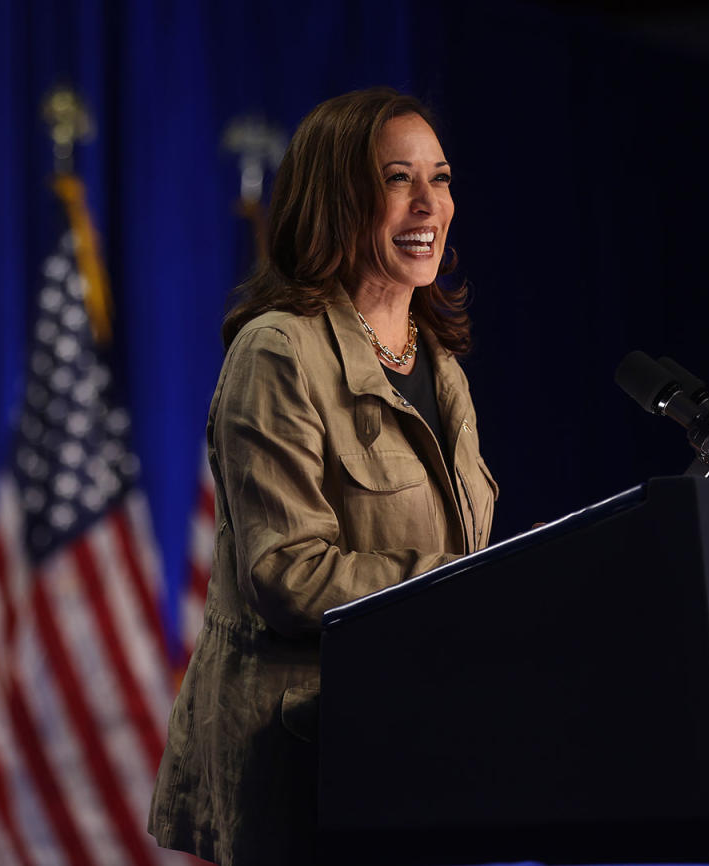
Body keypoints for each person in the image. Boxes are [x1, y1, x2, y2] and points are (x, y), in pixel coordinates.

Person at [148, 87, 498, 866]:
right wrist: (467, 582)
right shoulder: (280, 352)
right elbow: (286, 574)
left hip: (424, 752)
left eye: (439, 178)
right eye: (397, 178)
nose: (428, 203)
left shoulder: (441, 368)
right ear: (339, 198)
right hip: (306, 768)